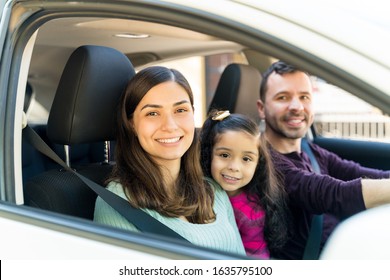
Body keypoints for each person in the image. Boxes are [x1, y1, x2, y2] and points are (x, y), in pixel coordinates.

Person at [94, 66, 245, 255]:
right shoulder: (118, 202)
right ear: (131, 124)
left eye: (180, 110)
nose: (170, 126)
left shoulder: (213, 190)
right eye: (152, 113)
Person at [257, 60, 390, 259]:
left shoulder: (310, 151)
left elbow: (361, 173)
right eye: (283, 97)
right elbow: (336, 195)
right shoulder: (262, 162)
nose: (296, 106)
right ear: (261, 108)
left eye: (304, 97)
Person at [200, 110, 291, 259]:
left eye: (246, 159)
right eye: (224, 155)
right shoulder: (197, 190)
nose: (234, 166)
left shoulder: (251, 213)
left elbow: (255, 258)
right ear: (208, 154)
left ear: (258, 163)